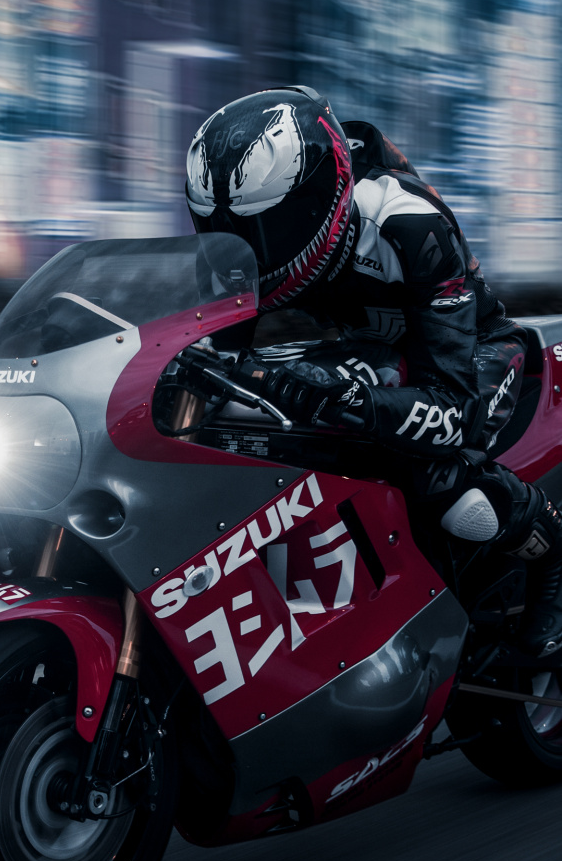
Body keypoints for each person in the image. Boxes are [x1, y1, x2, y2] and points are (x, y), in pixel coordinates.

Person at [184, 84, 562, 657]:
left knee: (446, 482)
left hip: (473, 354)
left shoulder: (407, 224)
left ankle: (554, 550)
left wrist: (351, 401)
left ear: (321, 196)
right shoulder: (237, 241)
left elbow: (453, 408)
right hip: (366, 349)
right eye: (227, 233)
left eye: (266, 230)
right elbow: (218, 352)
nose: (247, 251)